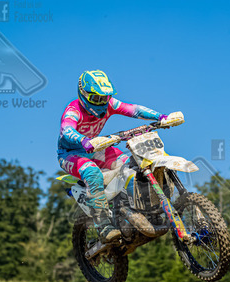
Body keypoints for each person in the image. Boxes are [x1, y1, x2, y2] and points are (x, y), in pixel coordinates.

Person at [57, 70, 183, 243]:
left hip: (97, 148)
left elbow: (133, 110)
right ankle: (103, 225)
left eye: (105, 97)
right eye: (96, 98)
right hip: (70, 153)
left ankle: (132, 208)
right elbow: (66, 130)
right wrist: (83, 140)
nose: (102, 102)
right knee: (91, 172)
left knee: (130, 165)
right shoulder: (73, 110)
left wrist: (161, 117)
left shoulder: (110, 103)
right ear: (83, 95)